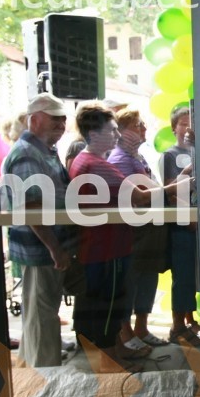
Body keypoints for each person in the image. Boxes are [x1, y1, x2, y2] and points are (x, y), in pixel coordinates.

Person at [70, 102, 188, 371]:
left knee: (112, 304)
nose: (116, 135)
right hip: (105, 247)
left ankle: (116, 351)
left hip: (108, 245)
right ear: (96, 132)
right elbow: (138, 196)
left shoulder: (91, 161)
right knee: (107, 307)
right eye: (112, 130)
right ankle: (110, 361)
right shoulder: (94, 163)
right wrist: (177, 186)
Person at [2, 93, 79, 367]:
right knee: (41, 314)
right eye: (54, 117)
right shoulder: (26, 154)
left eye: (63, 118)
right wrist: (55, 248)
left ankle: (35, 368)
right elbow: (31, 207)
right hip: (40, 249)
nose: (61, 123)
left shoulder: (43, 150)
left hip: (45, 247)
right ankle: (44, 379)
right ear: (34, 120)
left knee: (41, 312)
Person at [108, 107, 170, 351]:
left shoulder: (138, 157)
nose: (144, 129)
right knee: (130, 282)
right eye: (137, 125)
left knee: (147, 279)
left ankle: (142, 328)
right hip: (132, 233)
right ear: (121, 132)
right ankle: (126, 332)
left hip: (148, 232)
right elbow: (136, 197)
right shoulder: (120, 159)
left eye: (144, 124)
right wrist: (171, 188)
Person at [160, 106, 200, 345]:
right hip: (182, 225)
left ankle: (190, 320)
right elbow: (170, 191)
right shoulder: (170, 155)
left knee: (195, 276)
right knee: (183, 276)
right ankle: (177, 327)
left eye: (192, 123)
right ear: (174, 127)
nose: (188, 128)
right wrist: (188, 218)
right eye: (183, 123)